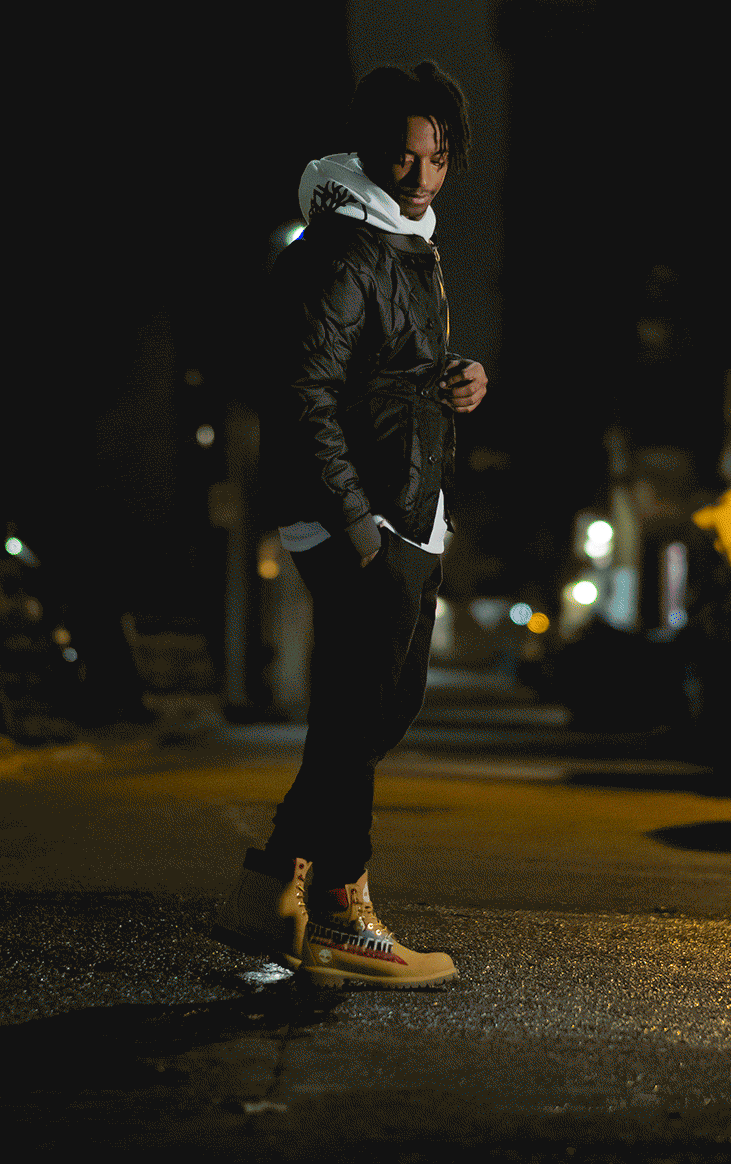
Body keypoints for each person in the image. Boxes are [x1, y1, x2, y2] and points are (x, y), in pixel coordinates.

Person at [210, 62, 488, 989]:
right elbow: (304, 395)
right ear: (372, 152)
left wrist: (457, 381)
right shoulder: (340, 248)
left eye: (437, 159)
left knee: (374, 709)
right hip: (358, 515)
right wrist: (358, 524)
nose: (421, 176)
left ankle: (270, 886)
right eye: (406, 158)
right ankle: (343, 908)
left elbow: (386, 371)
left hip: (404, 510)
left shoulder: (408, 244)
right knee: (359, 709)